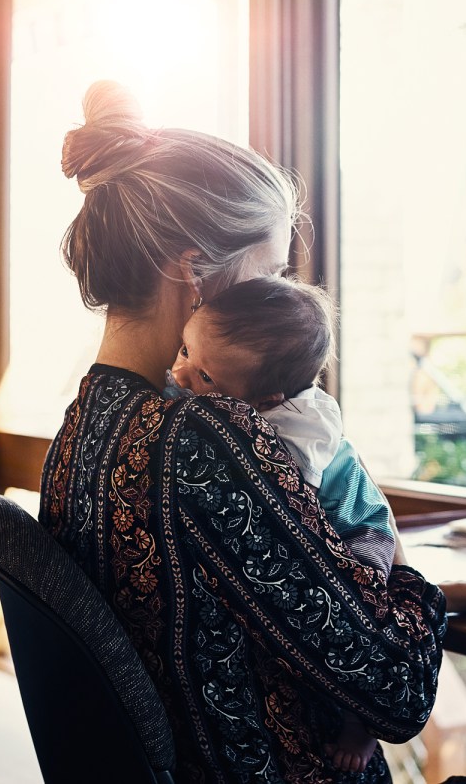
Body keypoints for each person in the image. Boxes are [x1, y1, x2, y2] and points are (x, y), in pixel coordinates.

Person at [39, 81, 466, 784]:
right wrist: (402, 560)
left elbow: (260, 601)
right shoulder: (205, 438)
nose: (279, 302)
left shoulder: (82, 431)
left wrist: (463, 593)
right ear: (192, 269)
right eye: (269, 274)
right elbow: (397, 694)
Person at [168, 274, 394, 773]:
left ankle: (362, 725)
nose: (181, 374)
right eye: (185, 350)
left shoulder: (298, 433)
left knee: (361, 611)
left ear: (267, 399)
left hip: (361, 528)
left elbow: (293, 505)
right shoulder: (233, 393)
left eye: (204, 378)